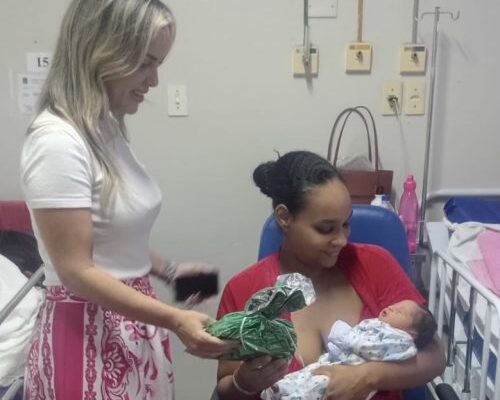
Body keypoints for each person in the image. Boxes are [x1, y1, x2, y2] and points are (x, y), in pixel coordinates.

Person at [20, 1, 236, 399]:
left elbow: (110, 236)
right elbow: (76, 270)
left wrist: (169, 270)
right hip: (86, 336)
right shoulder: (56, 142)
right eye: (144, 63)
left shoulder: (106, 129)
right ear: (99, 51)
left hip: (129, 328)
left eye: (158, 64)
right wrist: (175, 319)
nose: (154, 80)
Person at [215, 150, 445, 400]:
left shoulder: (375, 264)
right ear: (284, 217)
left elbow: (435, 356)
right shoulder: (244, 290)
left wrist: (366, 376)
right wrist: (244, 382)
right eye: (326, 229)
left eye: (346, 224)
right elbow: (226, 388)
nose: (341, 240)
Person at [261, 300, 437, 400]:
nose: (392, 308)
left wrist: (344, 336)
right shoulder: (378, 325)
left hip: (348, 372)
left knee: (318, 386)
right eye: (395, 305)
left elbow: (366, 347)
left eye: (399, 312)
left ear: (412, 333)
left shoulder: (401, 341)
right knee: (307, 374)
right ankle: (278, 389)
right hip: (335, 362)